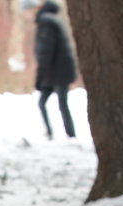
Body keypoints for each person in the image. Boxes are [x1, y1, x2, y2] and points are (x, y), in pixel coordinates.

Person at [27, 0, 77, 139]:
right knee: (49, 104)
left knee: (59, 105)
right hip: (58, 72)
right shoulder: (53, 21)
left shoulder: (46, 23)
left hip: (56, 73)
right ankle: (62, 134)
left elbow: (45, 53)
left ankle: (66, 134)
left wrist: (40, 77)